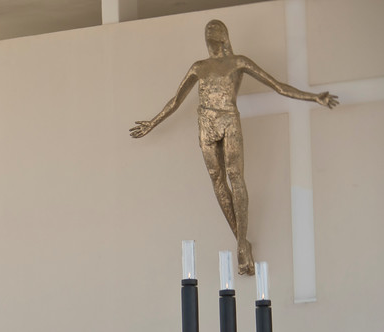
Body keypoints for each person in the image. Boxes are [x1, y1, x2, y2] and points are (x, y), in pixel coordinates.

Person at [129, 19, 338, 276]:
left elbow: (277, 86)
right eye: (207, 30)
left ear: (222, 36)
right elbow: (176, 100)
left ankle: (241, 244)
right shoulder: (198, 67)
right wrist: (152, 123)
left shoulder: (239, 62)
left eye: (213, 30)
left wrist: (313, 97)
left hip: (228, 119)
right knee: (217, 180)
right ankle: (242, 242)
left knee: (235, 176)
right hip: (206, 122)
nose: (209, 33)